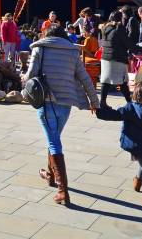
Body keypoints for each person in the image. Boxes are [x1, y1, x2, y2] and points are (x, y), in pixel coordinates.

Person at [22, 25, 99, 206]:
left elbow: (31, 73)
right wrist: (94, 102)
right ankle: (50, 175)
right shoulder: (72, 52)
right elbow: (85, 77)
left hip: (47, 100)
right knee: (54, 137)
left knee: (54, 142)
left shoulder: (40, 48)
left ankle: (62, 190)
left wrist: (23, 83)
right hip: (66, 103)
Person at [99, 11, 132, 108]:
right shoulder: (119, 27)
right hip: (117, 58)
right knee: (122, 82)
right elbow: (126, 42)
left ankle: (102, 103)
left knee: (105, 81)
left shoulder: (105, 27)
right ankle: (130, 103)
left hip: (105, 58)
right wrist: (139, 49)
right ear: (120, 18)